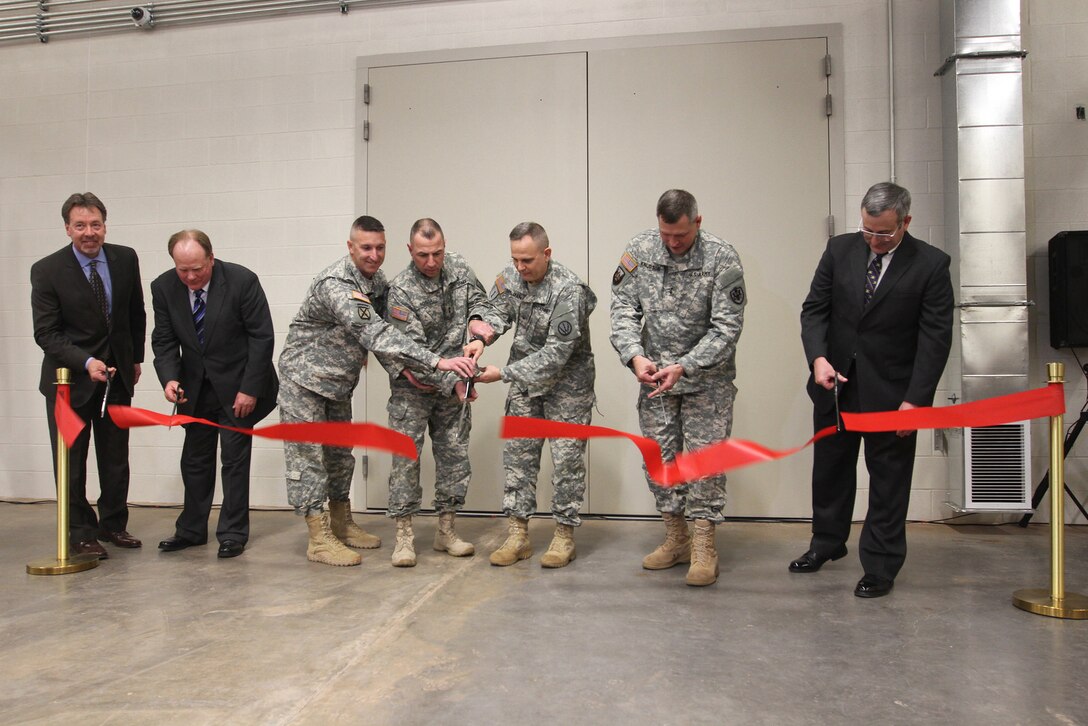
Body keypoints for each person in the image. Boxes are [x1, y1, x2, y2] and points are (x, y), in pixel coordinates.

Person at [277, 215, 477, 567]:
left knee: (340, 456)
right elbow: (378, 335)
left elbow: (391, 335)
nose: (373, 255)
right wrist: (437, 363)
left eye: (379, 247)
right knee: (308, 460)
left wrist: (400, 368)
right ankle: (318, 538)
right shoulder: (337, 283)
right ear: (350, 247)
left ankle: (341, 522)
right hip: (303, 382)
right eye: (366, 247)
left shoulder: (377, 281)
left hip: (338, 384)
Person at [791, 181, 953, 598]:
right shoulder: (839, 250)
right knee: (829, 473)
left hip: (893, 395)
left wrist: (915, 401)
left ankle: (880, 565)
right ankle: (825, 545)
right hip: (836, 386)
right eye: (868, 231)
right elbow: (815, 310)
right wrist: (818, 359)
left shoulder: (931, 265)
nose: (875, 241)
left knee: (888, 482)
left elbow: (935, 339)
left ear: (906, 221)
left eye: (884, 233)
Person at [609, 189, 745, 587]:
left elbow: (727, 328)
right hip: (655, 380)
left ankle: (704, 545)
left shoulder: (722, 257)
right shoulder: (640, 249)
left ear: (697, 223)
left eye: (681, 236)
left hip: (706, 381)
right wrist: (635, 356)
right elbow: (622, 310)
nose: (672, 243)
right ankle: (676, 537)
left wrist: (685, 366)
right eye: (666, 234)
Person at [473, 221, 596, 569]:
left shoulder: (569, 289)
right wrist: (480, 337)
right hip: (526, 386)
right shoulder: (512, 277)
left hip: (567, 388)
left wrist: (504, 373)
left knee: (567, 463)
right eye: (515, 260)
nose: (520, 268)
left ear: (547, 254)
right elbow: (497, 312)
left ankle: (563, 536)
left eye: (527, 260)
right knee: (518, 461)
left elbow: (557, 354)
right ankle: (518, 534)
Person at [30, 192, 146, 559]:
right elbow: (46, 333)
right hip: (69, 383)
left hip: (117, 379)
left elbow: (135, 312)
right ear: (67, 228)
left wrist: (135, 359)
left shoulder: (125, 258)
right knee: (71, 460)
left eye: (95, 224)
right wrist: (86, 362)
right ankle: (80, 532)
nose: (89, 232)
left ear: (104, 225)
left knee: (115, 457)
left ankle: (113, 523)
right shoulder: (47, 270)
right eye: (80, 225)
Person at [150, 229, 278, 559]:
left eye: (197, 269)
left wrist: (250, 389)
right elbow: (163, 340)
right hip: (196, 388)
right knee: (194, 460)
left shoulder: (241, 281)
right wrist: (169, 379)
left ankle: (233, 533)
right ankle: (191, 530)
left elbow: (261, 338)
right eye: (183, 270)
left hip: (239, 386)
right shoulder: (163, 287)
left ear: (211, 257)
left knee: (234, 460)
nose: (190, 277)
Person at [376, 218, 495, 567]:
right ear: (410, 250)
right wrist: (454, 380)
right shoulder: (400, 290)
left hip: (455, 381)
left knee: (455, 458)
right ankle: (404, 537)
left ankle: (447, 531)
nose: (431, 262)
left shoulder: (458, 267)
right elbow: (411, 352)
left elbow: (483, 304)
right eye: (423, 255)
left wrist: (476, 328)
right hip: (413, 387)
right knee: (405, 461)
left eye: (437, 253)